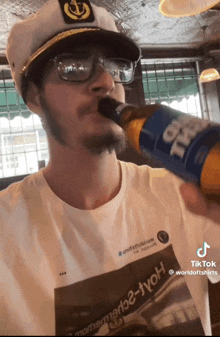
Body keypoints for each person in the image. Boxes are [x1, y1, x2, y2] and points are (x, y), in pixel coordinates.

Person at [1, 0, 220, 336]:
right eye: (72, 67)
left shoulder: (186, 195)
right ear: (33, 97)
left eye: (115, 67)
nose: (105, 80)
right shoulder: (7, 231)